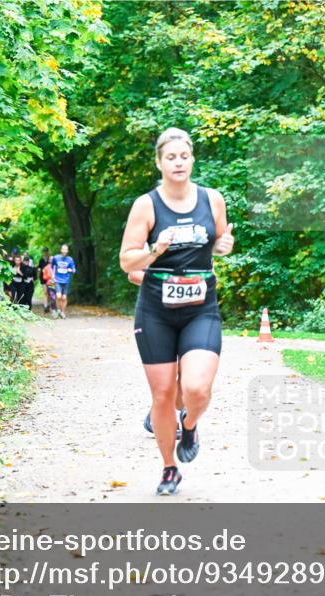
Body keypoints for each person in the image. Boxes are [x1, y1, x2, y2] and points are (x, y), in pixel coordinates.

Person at [119, 128, 235, 495]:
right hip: (156, 311)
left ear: (192, 159)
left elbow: (217, 244)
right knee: (164, 394)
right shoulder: (147, 205)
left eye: (183, 156)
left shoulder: (212, 199)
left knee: (197, 388)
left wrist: (224, 246)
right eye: (170, 157)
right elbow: (127, 260)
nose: (178, 162)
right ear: (159, 163)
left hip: (201, 308)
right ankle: (169, 467)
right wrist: (155, 249)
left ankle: (191, 422)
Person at [129, 268, 184, 440]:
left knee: (190, 371)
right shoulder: (152, 243)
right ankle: (162, 414)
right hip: (156, 313)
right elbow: (133, 273)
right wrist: (172, 284)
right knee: (166, 376)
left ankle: (166, 412)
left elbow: (209, 274)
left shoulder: (201, 241)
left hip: (194, 314)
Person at [51, 244, 76, 319]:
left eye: (66, 249)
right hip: (57, 280)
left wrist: (71, 270)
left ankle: (63, 312)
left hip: (66, 280)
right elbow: (51, 267)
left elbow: (74, 269)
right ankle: (58, 310)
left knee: (64, 297)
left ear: (67, 251)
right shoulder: (56, 258)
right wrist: (52, 275)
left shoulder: (70, 259)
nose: (64, 251)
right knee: (58, 296)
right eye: (63, 249)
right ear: (61, 250)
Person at [38, 247, 52, 313]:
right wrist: (39, 270)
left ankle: (49, 304)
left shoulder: (50, 259)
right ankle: (45, 305)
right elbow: (39, 267)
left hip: (50, 278)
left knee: (50, 292)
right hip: (43, 277)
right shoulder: (41, 260)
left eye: (46, 251)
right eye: (44, 251)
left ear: (48, 252)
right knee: (45, 292)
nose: (45, 252)